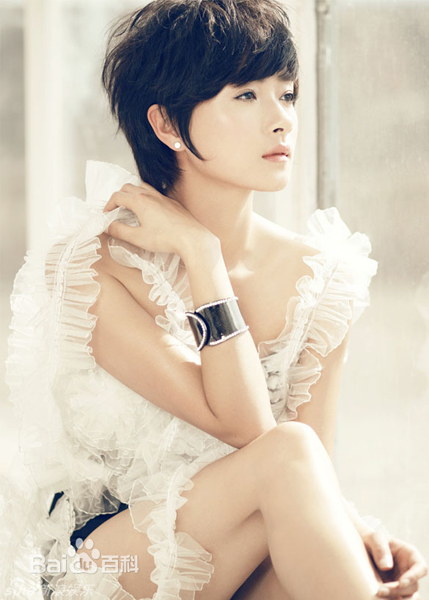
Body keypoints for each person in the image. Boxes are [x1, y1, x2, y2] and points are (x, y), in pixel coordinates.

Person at [0, 0, 427, 599]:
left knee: (336, 563)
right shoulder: (95, 264)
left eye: (287, 94)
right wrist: (202, 258)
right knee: (290, 460)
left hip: (246, 548)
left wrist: (351, 527)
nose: (281, 120)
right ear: (168, 125)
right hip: (104, 559)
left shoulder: (321, 280)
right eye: (246, 95)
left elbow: (306, 473)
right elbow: (247, 429)